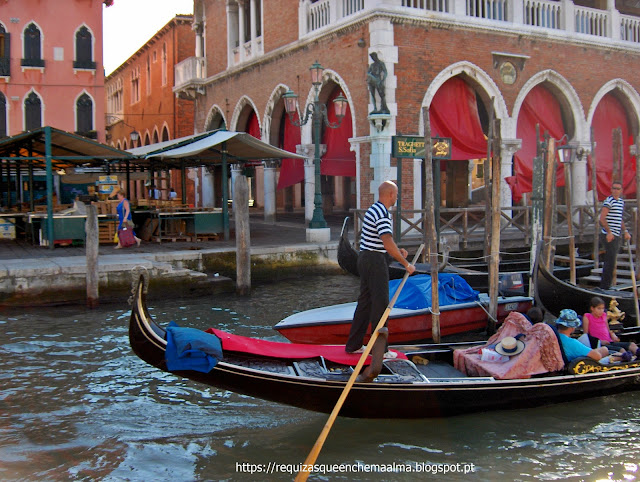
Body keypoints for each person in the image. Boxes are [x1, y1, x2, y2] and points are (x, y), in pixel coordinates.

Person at [345, 181, 416, 357]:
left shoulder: (374, 209)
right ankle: (380, 350)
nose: (397, 197)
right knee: (381, 305)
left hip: (365, 258)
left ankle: (354, 345)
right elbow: (386, 240)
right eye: (397, 194)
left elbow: (380, 240)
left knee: (365, 303)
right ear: (391, 194)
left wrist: (395, 250)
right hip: (375, 262)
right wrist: (405, 264)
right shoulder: (383, 213)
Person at [555, 309, 629, 363]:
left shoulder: (553, 337)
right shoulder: (572, 343)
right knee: (613, 354)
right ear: (572, 328)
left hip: (564, 363)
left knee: (604, 350)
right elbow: (597, 356)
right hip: (575, 366)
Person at [599, 181, 631, 289]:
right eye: (614, 188)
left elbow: (619, 218)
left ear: (621, 191)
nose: (616, 190)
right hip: (609, 235)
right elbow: (602, 218)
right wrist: (609, 232)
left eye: (618, 189)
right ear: (611, 190)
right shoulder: (609, 201)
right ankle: (604, 286)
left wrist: (625, 231)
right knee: (610, 260)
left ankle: (608, 284)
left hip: (616, 235)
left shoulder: (621, 202)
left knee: (612, 261)